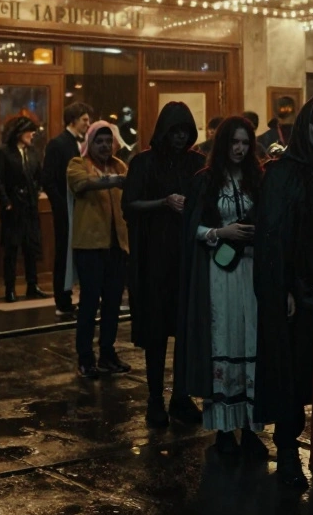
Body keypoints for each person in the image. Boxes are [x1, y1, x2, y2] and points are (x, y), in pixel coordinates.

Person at [253, 96, 313, 488]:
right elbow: (273, 236)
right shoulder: (284, 173)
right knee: (290, 374)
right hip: (297, 293)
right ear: (305, 125)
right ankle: (287, 450)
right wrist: (283, 287)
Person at [177, 117, 268, 460]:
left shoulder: (258, 179)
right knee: (224, 338)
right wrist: (221, 233)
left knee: (250, 340)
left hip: (251, 274)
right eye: (234, 142)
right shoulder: (205, 181)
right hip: (218, 275)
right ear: (223, 144)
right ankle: (225, 431)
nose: (240, 148)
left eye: (245, 142)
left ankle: (250, 427)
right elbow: (192, 230)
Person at [123, 102, 207, 428]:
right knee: (157, 333)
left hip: (187, 258)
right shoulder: (144, 163)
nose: (179, 137)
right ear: (164, 131)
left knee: (185, 332)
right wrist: (164, 202)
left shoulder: (197, 164)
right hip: (154, 260)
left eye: (184, 131)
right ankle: (155, 398)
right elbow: (129, 204)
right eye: (174, 131)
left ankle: (181, 397)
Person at [66, 121, 131, 379]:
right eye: (99, 141)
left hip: (117, 245)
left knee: (113, 303)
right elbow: (81, 184)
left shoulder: (119, 165)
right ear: (89, 143)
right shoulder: (77, 164)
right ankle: (85, 357)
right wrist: (113, 181)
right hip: (90, 246)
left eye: (108, 141)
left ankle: (107, 353)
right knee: (89, 303)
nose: (104, 146)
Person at [43, 102, 93, 314]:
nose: (88, 123)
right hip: (66, 209)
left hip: (78, 208)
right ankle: (62, 301)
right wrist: (61, 206)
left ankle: (78, 296)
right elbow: (48, 179)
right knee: (63, 254)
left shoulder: (79, 144)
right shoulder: (58, 144)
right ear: (73, 120)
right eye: (84, 119)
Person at [0, 114, 45, 303]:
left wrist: (38, 190)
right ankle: (10, 289)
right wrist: (6, 201)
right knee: (12, 250)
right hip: (13, 208)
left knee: (31, 248)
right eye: (29, 131)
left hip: (30, 206)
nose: (32, 135)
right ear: (19, 133)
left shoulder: (32, 153)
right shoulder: (4, 152)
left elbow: (39, 174)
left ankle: (33, 285)